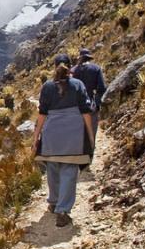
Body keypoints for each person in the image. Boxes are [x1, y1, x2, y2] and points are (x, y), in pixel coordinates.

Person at [33, 60, 95, 227]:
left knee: (52, 168)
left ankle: (53, 201)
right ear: (70, 69)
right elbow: (86, 111)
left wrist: (36, 138)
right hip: (72, 133)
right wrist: (90, 135)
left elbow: (42, 114)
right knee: (69, 170)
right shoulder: (78, 84)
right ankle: (62, 210)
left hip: (52, 133)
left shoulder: (47, 86)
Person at [71, 48, 106, 142]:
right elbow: (102, 88)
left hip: (76, 106)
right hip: (91, 103)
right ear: (89, 58)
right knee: (92, 131)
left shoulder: (73, 71)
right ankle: (90, 152)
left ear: (80, 58)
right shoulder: (96, 68)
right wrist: (97, 103)